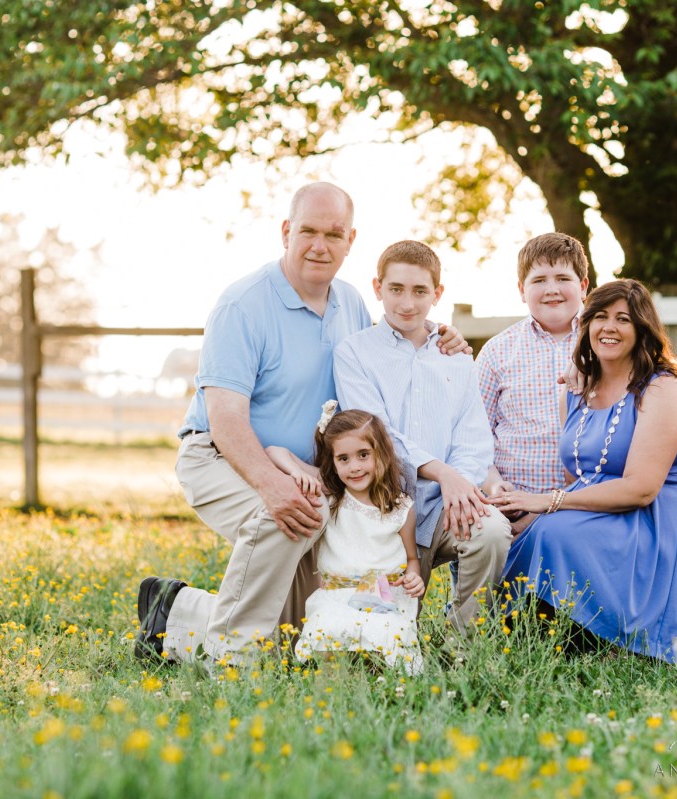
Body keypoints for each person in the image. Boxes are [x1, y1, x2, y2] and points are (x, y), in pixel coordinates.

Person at [133, 183, 467, 668]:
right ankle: (232, 662)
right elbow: (226, 422)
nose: (320, 245)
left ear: (351, 240)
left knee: (297, 626)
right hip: (221, 456)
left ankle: (176, 608)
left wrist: (440, 334)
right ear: (287, 231)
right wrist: (273, 486)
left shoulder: (350, 304)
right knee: (282, 521)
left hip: (310, 472)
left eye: (334, 234)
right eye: (308, 230)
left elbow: (391, 347)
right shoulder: (243, 305)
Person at [488, 279, 677, 663]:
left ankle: (597, 643)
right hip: (605, 515)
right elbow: (579, 479)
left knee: (552, 531)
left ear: (642, 329)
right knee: (524, 532)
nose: (609, 327)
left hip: (660, 519)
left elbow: (641, 489)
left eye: (623, 319)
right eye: (599, 317)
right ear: (585, 326)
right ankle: (531, 644)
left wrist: (547, 503)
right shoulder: (577, 389)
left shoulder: (662, 389)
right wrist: (530, 513)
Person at [334, 240, 512, 633]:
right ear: (378, 288)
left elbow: (473, 436)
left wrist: (460, 486)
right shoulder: (354, 353)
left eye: (420, 291)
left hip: (442, 505)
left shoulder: (456, 356)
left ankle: (461, 645)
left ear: (437, 294)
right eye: (396, 289)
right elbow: (375, 434)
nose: (407, 303)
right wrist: (445, 474)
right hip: (383, 505)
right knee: (388, 635)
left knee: (492, 531)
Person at [267, 404, 425, 674]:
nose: (354, 467)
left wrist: (414, 577)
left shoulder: (401, 508)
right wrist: (299, 474)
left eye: (363, 455)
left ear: (381, 454)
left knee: (387, 641)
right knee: (328, 634)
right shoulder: (333, 495)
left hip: (385, 597)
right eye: (344, 459)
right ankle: (333, 690)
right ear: (333, 462)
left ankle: (385, 689)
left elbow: (412, 558)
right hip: (336, 596)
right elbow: (274, 452)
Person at [477, 233, 590, 499]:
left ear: (583, 286)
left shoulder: (605, 341)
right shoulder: (497, 352)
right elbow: (473, 435)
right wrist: (492, 483)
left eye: (563, 278)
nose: (551, 289)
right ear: (521, 290)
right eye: (539, 280)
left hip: (588, 500)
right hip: (515, 500)